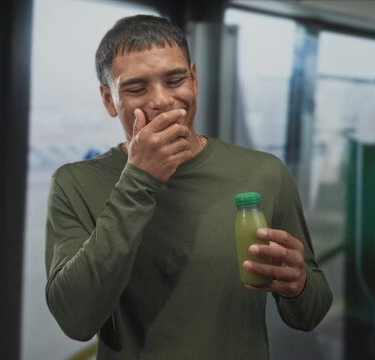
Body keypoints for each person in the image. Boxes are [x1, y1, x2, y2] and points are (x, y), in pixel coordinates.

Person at [45, 14, 332, 359]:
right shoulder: (75, 183)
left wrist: (298, 285)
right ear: (109, 100)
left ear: (194, 79)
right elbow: (76, 320)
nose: (163, 100)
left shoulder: (263, 173)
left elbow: (310, 313)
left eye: (175, 79)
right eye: (137, 88)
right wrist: (139, 178)